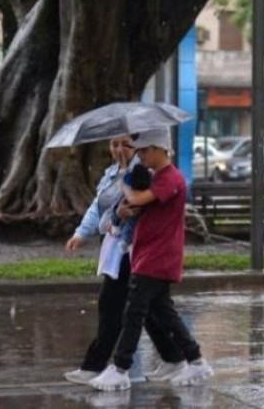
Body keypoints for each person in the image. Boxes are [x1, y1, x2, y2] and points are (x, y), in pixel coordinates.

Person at [89, 128, 211, 392]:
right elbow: (135, 208)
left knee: (134, 312)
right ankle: (194, 359)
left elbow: (138, 198)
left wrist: (124, 181)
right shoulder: (156, 177)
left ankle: (120, 367)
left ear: (159, 149)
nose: (140, 156)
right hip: (146, 254)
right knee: (165, 313)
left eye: (144, 151)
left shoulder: (171, 178)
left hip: (157, 257)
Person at [63, 136, 186, 385]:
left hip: (131, 249)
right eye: (114, 144)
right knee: (148, 308)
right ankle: (176, 358)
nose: (119, 149)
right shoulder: (111, 173)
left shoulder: (141, 173)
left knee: (114, 304)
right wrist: (81, 233)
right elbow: (98, 207)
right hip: (113, 247)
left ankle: (104, 366)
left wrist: (121, 213)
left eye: (127, 144)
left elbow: (141, 209)